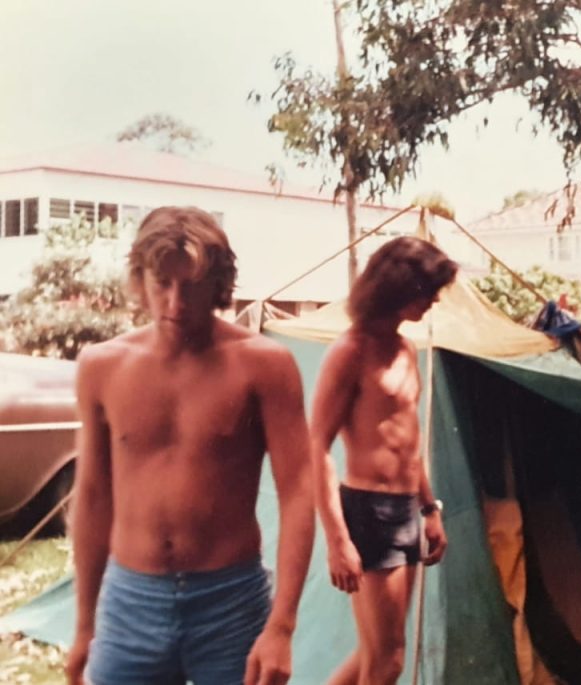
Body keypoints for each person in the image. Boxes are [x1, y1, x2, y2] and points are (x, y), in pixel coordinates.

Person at [66, 207, 314, 685]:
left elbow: (298, 492)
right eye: (163, 283)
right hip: (129, 599)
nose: (176, 304)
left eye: (192, 286)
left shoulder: (264, 366)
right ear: (140, 279)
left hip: (230, 601)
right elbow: (94, 495)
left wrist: (282, 625)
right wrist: (83, 626)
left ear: (218, 285)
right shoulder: (102, 366)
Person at [309, 236, 458, 685]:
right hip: (368, 511)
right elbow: (315, 446)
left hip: (405, 511)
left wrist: (430, 508)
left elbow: (408, 442)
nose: (433, 300)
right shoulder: (350, 351)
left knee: (375, 655)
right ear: (397, 287)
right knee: (387, 663)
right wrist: (337, 540)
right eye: (427, 290)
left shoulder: (407, 350)